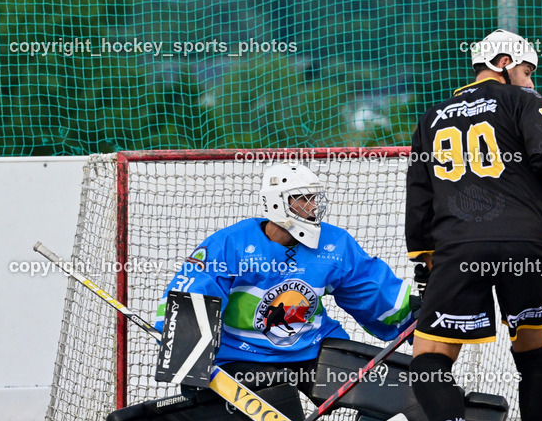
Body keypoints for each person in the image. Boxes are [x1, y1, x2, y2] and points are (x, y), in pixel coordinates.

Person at [404, 29, 542, 421]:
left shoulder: (432, 117)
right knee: (535, 351)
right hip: (524, 245)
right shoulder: (524, 102)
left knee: (430, 357)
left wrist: (424, 264)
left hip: (458, 247)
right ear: (503, 62)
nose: (529, 80)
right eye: (525, 70)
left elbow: (418, 198)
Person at [155, 162, 414, 398]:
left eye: (314, 199)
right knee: (280, 405)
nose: (312, 207)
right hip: (241, 356)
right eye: (302, 199)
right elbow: (193, 294)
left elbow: (369, 289)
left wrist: (414, 316)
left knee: (387, 393)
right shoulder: (230, 244)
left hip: (313, 347)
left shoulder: (334, 243)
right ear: (276, 203)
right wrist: (185, 351)